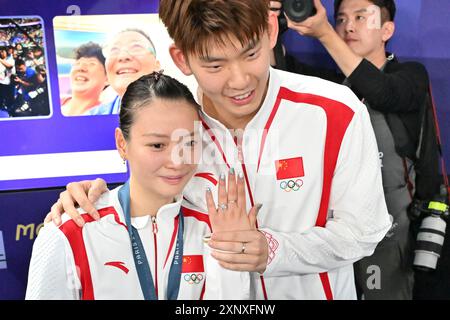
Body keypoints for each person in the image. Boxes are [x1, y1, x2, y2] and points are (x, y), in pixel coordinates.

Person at [47, 0, 391, 300]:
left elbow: (364, 231)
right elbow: (147, 207)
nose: (239, 80)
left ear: (270, 31)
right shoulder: (171, 117)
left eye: (252, 53)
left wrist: (274, 251)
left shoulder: (335, 111)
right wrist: (97, 198)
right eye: (214, 65)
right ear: (181, 59)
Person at [26, 72, 258, 300]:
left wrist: (232, 258)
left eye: (190, 143)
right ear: (122, 144)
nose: (177, 161)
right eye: (157, 145)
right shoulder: (70, 233)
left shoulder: (214, 228)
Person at [270, 0, 433, 299]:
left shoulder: (411, 76)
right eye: (341, 19)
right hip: (334, 237)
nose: (348, 26)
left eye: (360, 17)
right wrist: (268, 23)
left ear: (387, 29)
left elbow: (383, 92)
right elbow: (274, 73)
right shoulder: (328, 86)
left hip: (394, 238)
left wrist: (324, 33)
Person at [85, 28, 161, 115]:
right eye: (114, 50)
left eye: (136, 47)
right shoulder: (91, 117)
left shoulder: (178, 113)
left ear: (157, 66)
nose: (123, 56)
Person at [61, 42, 108, 116]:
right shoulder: (53, 104)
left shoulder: (106, 115)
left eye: (91, 64)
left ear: (107, 79)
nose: (81, 68)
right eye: (77, 63)